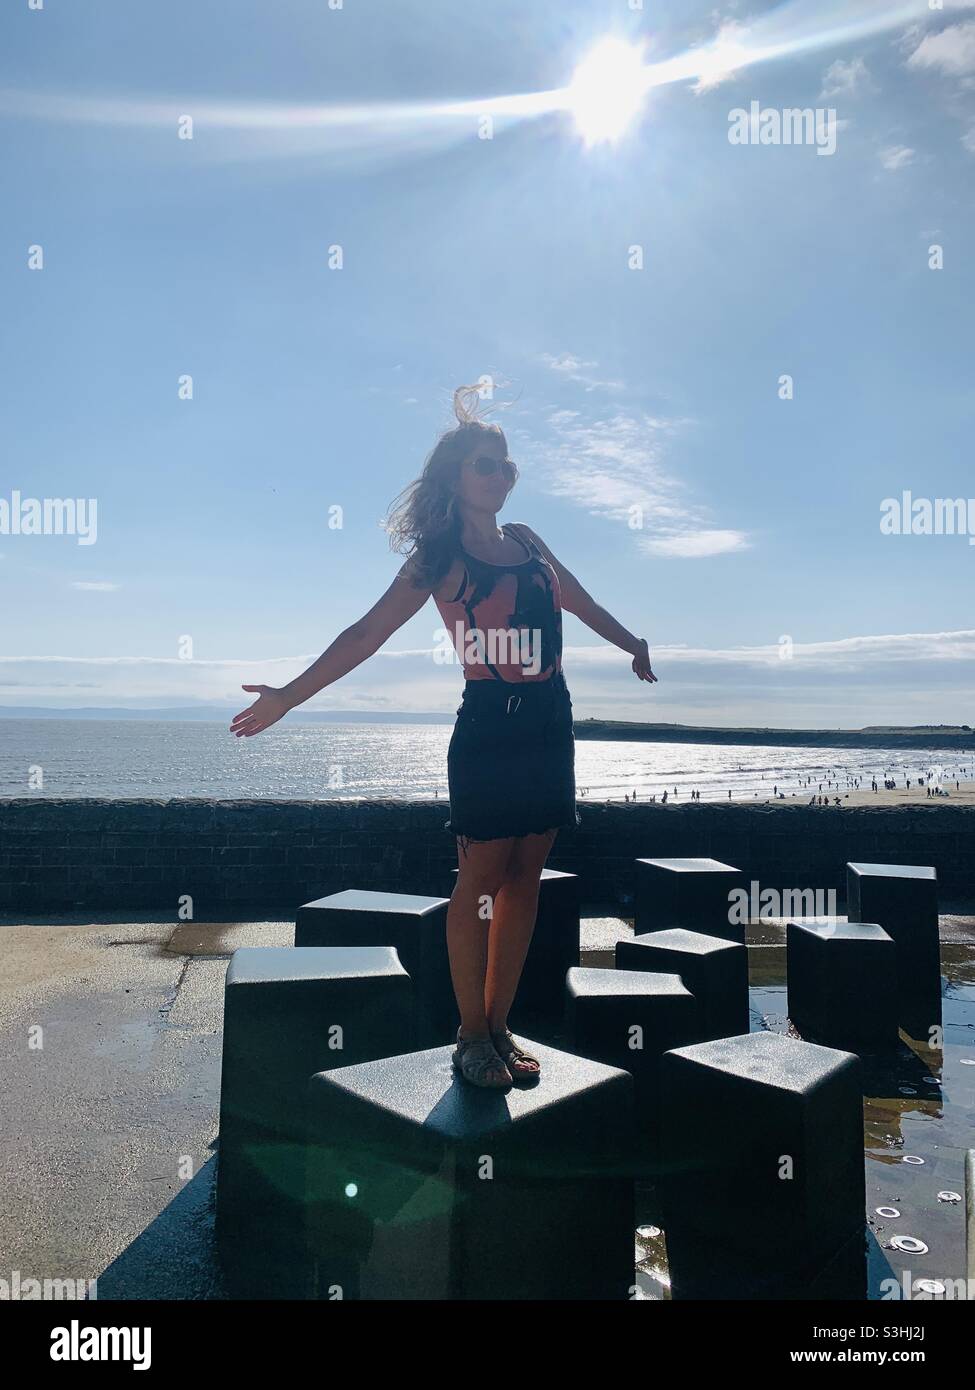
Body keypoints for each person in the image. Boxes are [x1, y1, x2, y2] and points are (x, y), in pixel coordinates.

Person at [230, 385, 656, 1089]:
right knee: (481, 880)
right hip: (490, 725)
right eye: (485, 465)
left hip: (551, 719)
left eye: (506, 465)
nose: (500, 475)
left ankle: (501, 1022)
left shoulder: (528, 541)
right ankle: (469, 1034)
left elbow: (577, 599)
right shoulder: (438, 556)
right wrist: (289, 696)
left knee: (526, 882)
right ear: (454, 477)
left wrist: (631, 642)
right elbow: (366, 633)